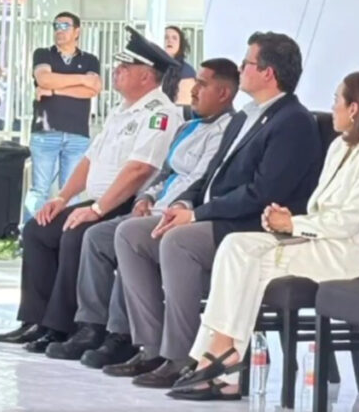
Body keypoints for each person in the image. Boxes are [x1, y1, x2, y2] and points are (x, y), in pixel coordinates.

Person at [107, 32, 323, 389]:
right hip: (214, 216)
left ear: (268, 73)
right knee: (130, 234)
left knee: (178, 242)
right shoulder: (244, 118)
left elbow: (262, 193)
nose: (240, 69)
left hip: (250, 226)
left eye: (247, 63)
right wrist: (183, 203)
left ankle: (181, 355)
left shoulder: (293, 122)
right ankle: (152, 347)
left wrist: (196, 215)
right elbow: (210, 176)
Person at [168, 72, 359, 401]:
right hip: (317, 239)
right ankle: (224, 353)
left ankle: (219, 359)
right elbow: (319, 208)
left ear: (354, 108)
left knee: (252, 264)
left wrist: (293, 225)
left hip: (348, 252)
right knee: (235, 245)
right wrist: (285, 220)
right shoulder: (340, 146)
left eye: (336, 99)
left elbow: (347, 223)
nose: (332, 106)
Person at [0, 28, 183, 351]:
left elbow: (140, 170)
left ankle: (65, 327)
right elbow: (89, 159)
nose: (116, 71)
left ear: (147, 76)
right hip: (98, 201)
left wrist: (96, 210)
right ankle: (36, 320)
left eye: (126, 67)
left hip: (125, 203)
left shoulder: (160, 113)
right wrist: (61, 197)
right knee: (38, 229)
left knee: (75, 234)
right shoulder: (121, 110)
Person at [43, 58, 239, 365]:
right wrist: (144, 197)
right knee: (95, 237)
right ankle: (91, 326)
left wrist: (175, 206)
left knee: (128, 237)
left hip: (179, 215)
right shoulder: (188, 126)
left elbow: (201, 179)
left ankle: (123, 336)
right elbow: (164, 173)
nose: (193, 90)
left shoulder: (225, 130)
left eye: (202, 85)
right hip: (153, 208)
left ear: (224, 93)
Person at [22, 12, 102, 224]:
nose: (60, 30)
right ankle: (29, 233)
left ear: (77, 31)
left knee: (71, 191)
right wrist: (81, 80)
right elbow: (44, 79)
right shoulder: (43, 54)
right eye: (56, 25)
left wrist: (55, 90)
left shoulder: (90, 60)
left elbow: (93, 88)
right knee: (39, 189)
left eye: (65, 26)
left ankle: (66, 233)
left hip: (77, 134)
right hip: (45, 132)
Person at [162, 26, 196, 105]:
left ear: (180, 44)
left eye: (174, 38)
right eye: (166, 37)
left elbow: (183, 106)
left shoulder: (186, 72)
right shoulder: (156, 67)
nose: (169, 40)